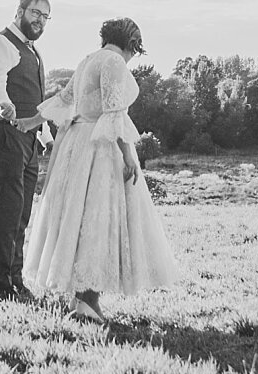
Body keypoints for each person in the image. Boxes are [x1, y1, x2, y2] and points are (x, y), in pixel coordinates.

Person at [19, 17, 179, 322]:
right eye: (136, 48)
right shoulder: (114, 63)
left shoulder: (87, 60)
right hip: (99, 146)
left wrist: (30, 122)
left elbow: (65, 100)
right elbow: (113, 110)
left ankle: (80, 300)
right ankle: (87, 302)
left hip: (75, 144)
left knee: (77, 219)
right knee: (98, 221)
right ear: (132, 43)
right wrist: (128, 154)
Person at [0, 0, 53, 303]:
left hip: (28, 137)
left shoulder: (32, 51)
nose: (40, 20)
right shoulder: (0, 43)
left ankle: (16, 280)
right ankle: (1, 286)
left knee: (21, 214)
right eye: (36, 13)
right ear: (20, 11)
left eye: (46, 17)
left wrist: (47, 137)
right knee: (9, 210)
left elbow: (35, 100)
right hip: (3, 131)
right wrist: (4, 105)